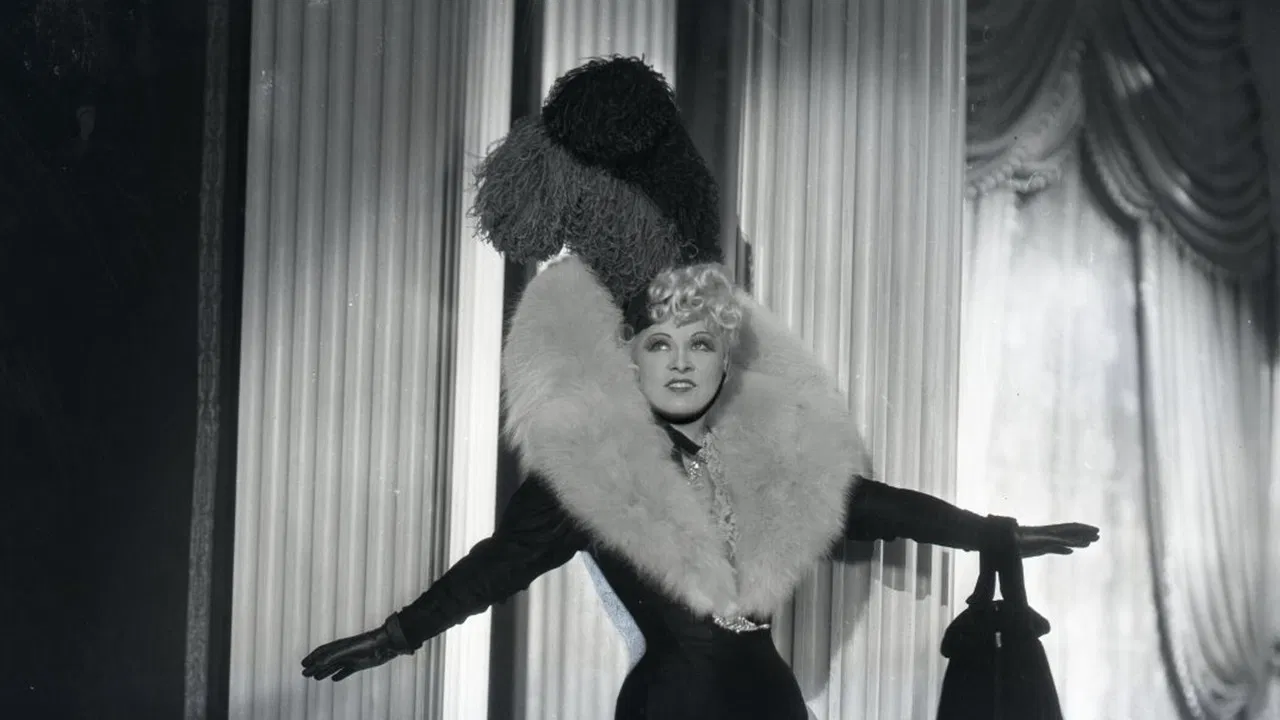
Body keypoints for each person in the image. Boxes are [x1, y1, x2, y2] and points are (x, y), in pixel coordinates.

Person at [301, 259, 1099, 719]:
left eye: (701, 344)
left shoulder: (767, 453)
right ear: (631, 358)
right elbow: (496, 566)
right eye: (660, 343)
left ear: (723, 359)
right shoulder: (590, 471)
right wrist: (399, 633)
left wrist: (993, 532)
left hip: (772, 704)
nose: (681, 362)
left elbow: (869, 505)